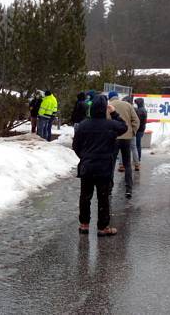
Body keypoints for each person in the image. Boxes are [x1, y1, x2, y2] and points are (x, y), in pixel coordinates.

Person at [72, 94, 127, 236]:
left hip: (87, 166)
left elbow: (76, 146)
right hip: (104, 167)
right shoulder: (111, 125)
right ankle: (103, 227)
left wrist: (84, 157)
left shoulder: (83, 125)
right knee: (103, 198)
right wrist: (114, 112)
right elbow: (124, 127)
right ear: (104, 108)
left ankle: (84, 224)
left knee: (85, 196)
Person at [108, 91, 139, 199]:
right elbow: (136, 120)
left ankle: (109, 189)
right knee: (127, 164)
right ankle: (128, 190)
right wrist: (132, 132)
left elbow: (105, 122)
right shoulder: (128, 105)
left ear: (110, 98)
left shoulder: (108, 106)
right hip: (126, 137)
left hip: (113, 138)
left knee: (111, 165)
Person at [134, 97, 148, 170]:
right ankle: (137, 159)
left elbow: (137, 120)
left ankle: (138, 159)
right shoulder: (143, 109)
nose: (136, 104)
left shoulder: (140, 110)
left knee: (137, 145)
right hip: (141, 130)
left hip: (139, 130)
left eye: (136, 102)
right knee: (137, 145)